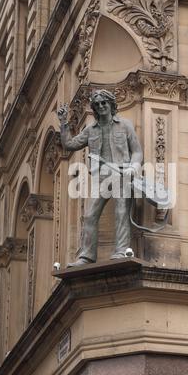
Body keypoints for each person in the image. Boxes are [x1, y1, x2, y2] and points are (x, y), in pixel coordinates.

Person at [58, 89, 143, 266]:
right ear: (94, 108)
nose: (101, 106)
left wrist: (134, 167)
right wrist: (63, 123)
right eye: (97, 104)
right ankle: (86, 255)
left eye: (104, 103)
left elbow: (137, 151)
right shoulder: (91, 130)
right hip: (102, 177)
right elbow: (69, 144)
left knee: (121, 213)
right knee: (89, 215)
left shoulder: (125, 125)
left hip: (121, 175)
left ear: (111, 105)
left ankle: (121, 251)